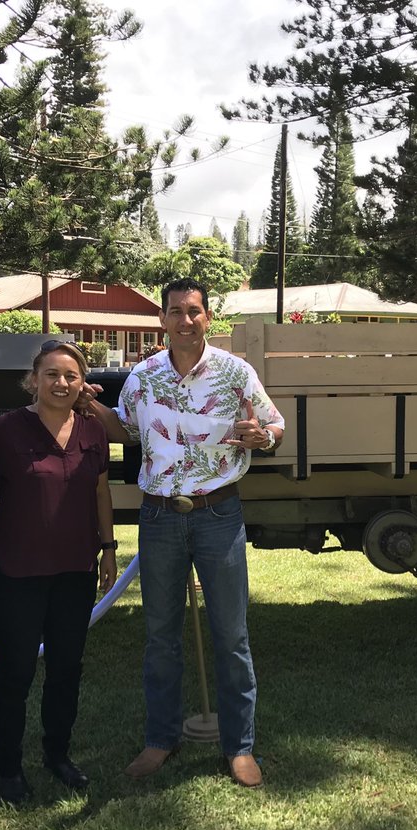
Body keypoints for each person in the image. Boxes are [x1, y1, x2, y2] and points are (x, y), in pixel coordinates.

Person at [89, 277, 284, 788]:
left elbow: (273, 427)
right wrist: (88, 405)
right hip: (159, 518)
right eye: (175, 311)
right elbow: (125, 430)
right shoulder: (143, 376)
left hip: (218, 514)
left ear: (208, 317)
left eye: (194, 311)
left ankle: (239, 747)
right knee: (159, 636)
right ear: (163, 319)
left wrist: (261, 436)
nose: (185, 320)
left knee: (232, 634)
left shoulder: (236, 373)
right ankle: (160, 739)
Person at [0, 340, 116, 803]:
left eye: (71, 375)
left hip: (74, 570)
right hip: (16, 572)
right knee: (15, 673)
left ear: (82, 383)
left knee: (66, 669)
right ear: (33, 379)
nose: (61, 383)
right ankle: (9, 766)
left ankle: (57, 755)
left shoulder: (92, 431)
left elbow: (100, 491)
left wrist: (108, 548)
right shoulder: (3, 431)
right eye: (52, 374)